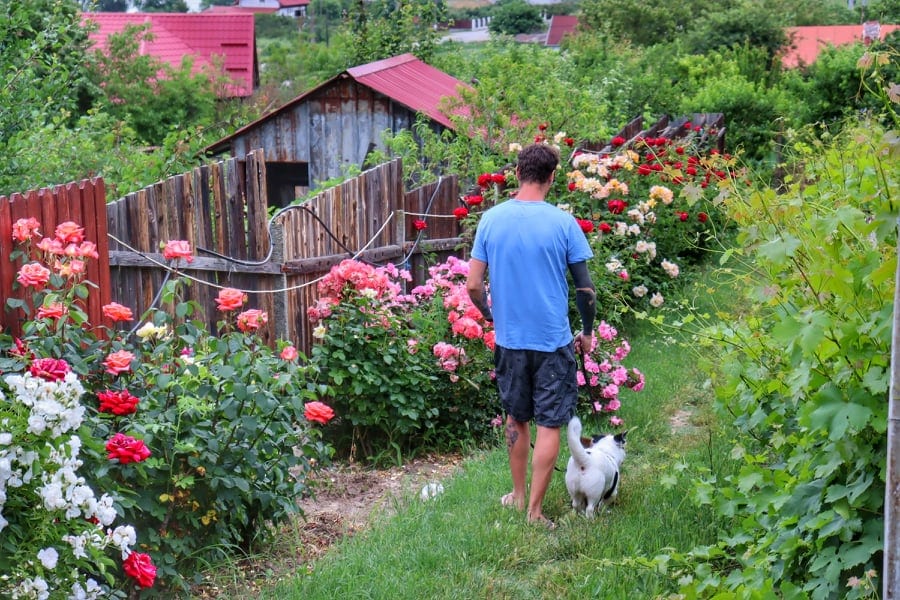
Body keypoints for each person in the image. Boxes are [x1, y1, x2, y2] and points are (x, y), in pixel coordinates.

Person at [466, 143, 596, 527]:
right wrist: (587, 332)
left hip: (510, 341)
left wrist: (491, 317)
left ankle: (517, 493)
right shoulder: (562, 223)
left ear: (517, 172)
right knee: (550, 423)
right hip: (552, 341)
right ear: (552, 176)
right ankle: (534, 512)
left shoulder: (490, 219)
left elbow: (474, 285)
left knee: (516, 417)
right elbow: (585, 289)